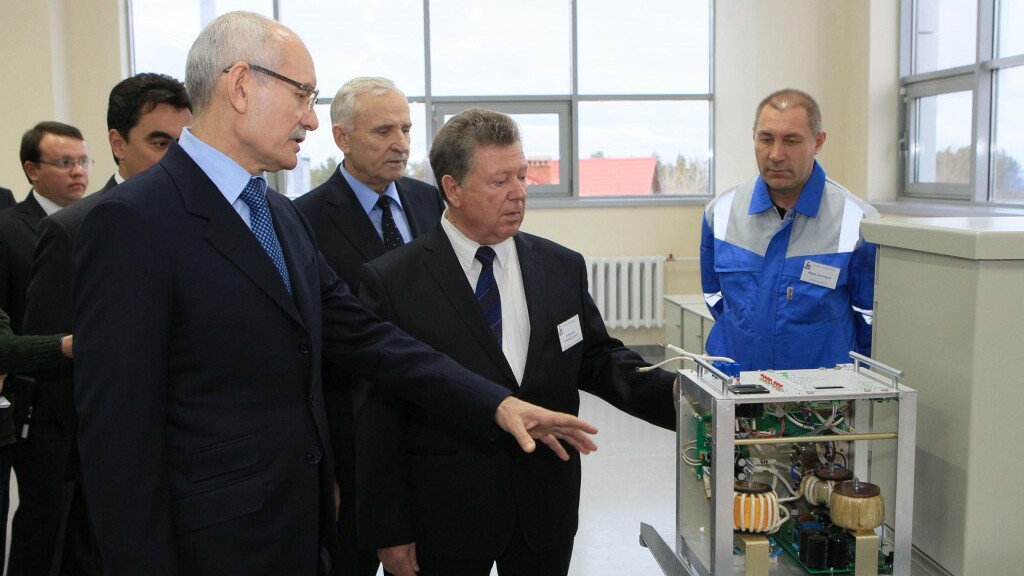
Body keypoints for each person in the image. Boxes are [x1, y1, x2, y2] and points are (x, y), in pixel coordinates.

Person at [71, 12, 596, 576]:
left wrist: (494, 402)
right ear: (241, 85)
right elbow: (118, 440)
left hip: (298, 528)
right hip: (210, 545)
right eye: (302, 95)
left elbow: (367, 336)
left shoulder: (278, 216)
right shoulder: (133, 221)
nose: (311, 120)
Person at [353, 108, 676, 576]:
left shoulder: (561, 266)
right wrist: (389, 529)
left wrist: (683, 398)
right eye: (499, 180)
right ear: (452, 189)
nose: (519, 192)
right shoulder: (393, 282)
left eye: (522, 176)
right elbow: (377, 415)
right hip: (444, 518)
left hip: (544, 508)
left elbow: (597, 359)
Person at [10, 73, 192, 576]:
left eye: (184, 145)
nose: (175, 159)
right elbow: (58, 369)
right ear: (117, 143)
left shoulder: (199, 224)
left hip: (199, 471)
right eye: (159, 143)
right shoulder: (73, 229)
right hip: (113, 478)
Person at [294, 76, 443, 576]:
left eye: (406, 129)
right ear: (342, 137)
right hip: (351, 443)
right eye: (383, 131)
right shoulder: (303, 219)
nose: (400, 143)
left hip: (430, 431)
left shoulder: (430, 203)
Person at [700, 88, 879, 371]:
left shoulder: (859, 221)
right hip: (735, 381)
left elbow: (869, 318)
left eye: (791, 141)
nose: (776, 154)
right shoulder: (720, 212)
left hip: (823, 391)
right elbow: (715, 297)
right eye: (766, 139)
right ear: (754, 137)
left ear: (817, 142)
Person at [0, 122, 89, 335]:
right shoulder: (6, 229)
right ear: (32, 170)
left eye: (83, 162)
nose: (78, 171)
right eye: (64, 163)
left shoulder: (98, 219)